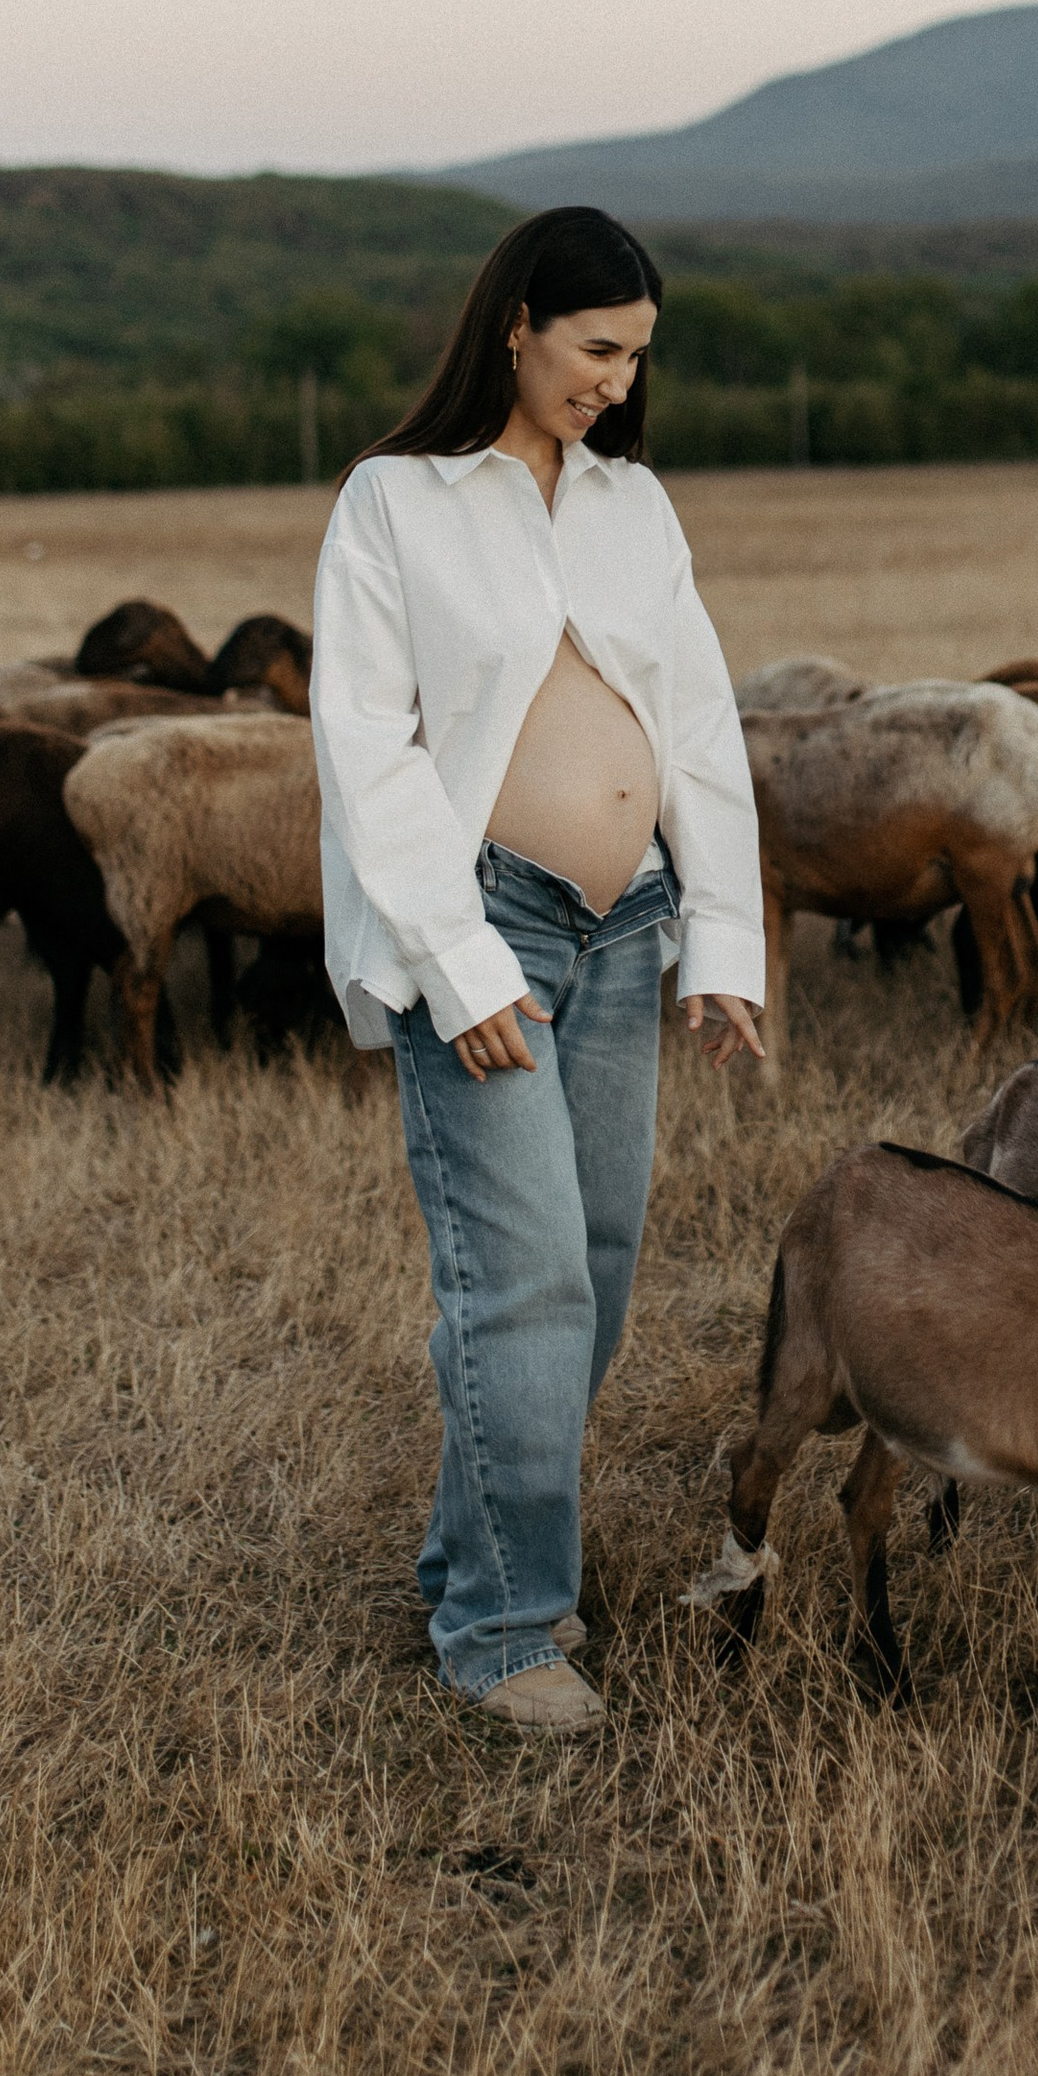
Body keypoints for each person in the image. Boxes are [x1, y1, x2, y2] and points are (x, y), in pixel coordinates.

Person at [310, 206, 767, 1735]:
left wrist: (726, 936)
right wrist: (457, 962)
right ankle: (508, 1626)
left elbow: (695, 722)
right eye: (595, 350)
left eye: (637, 359)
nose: (618, 386)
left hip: (629, 925)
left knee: (603, 1275)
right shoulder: (397, 502)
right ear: (515, 323)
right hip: (488, 925)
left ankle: (469, 1554)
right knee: (523, 1289)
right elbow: (366, 744)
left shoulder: (635, 505)